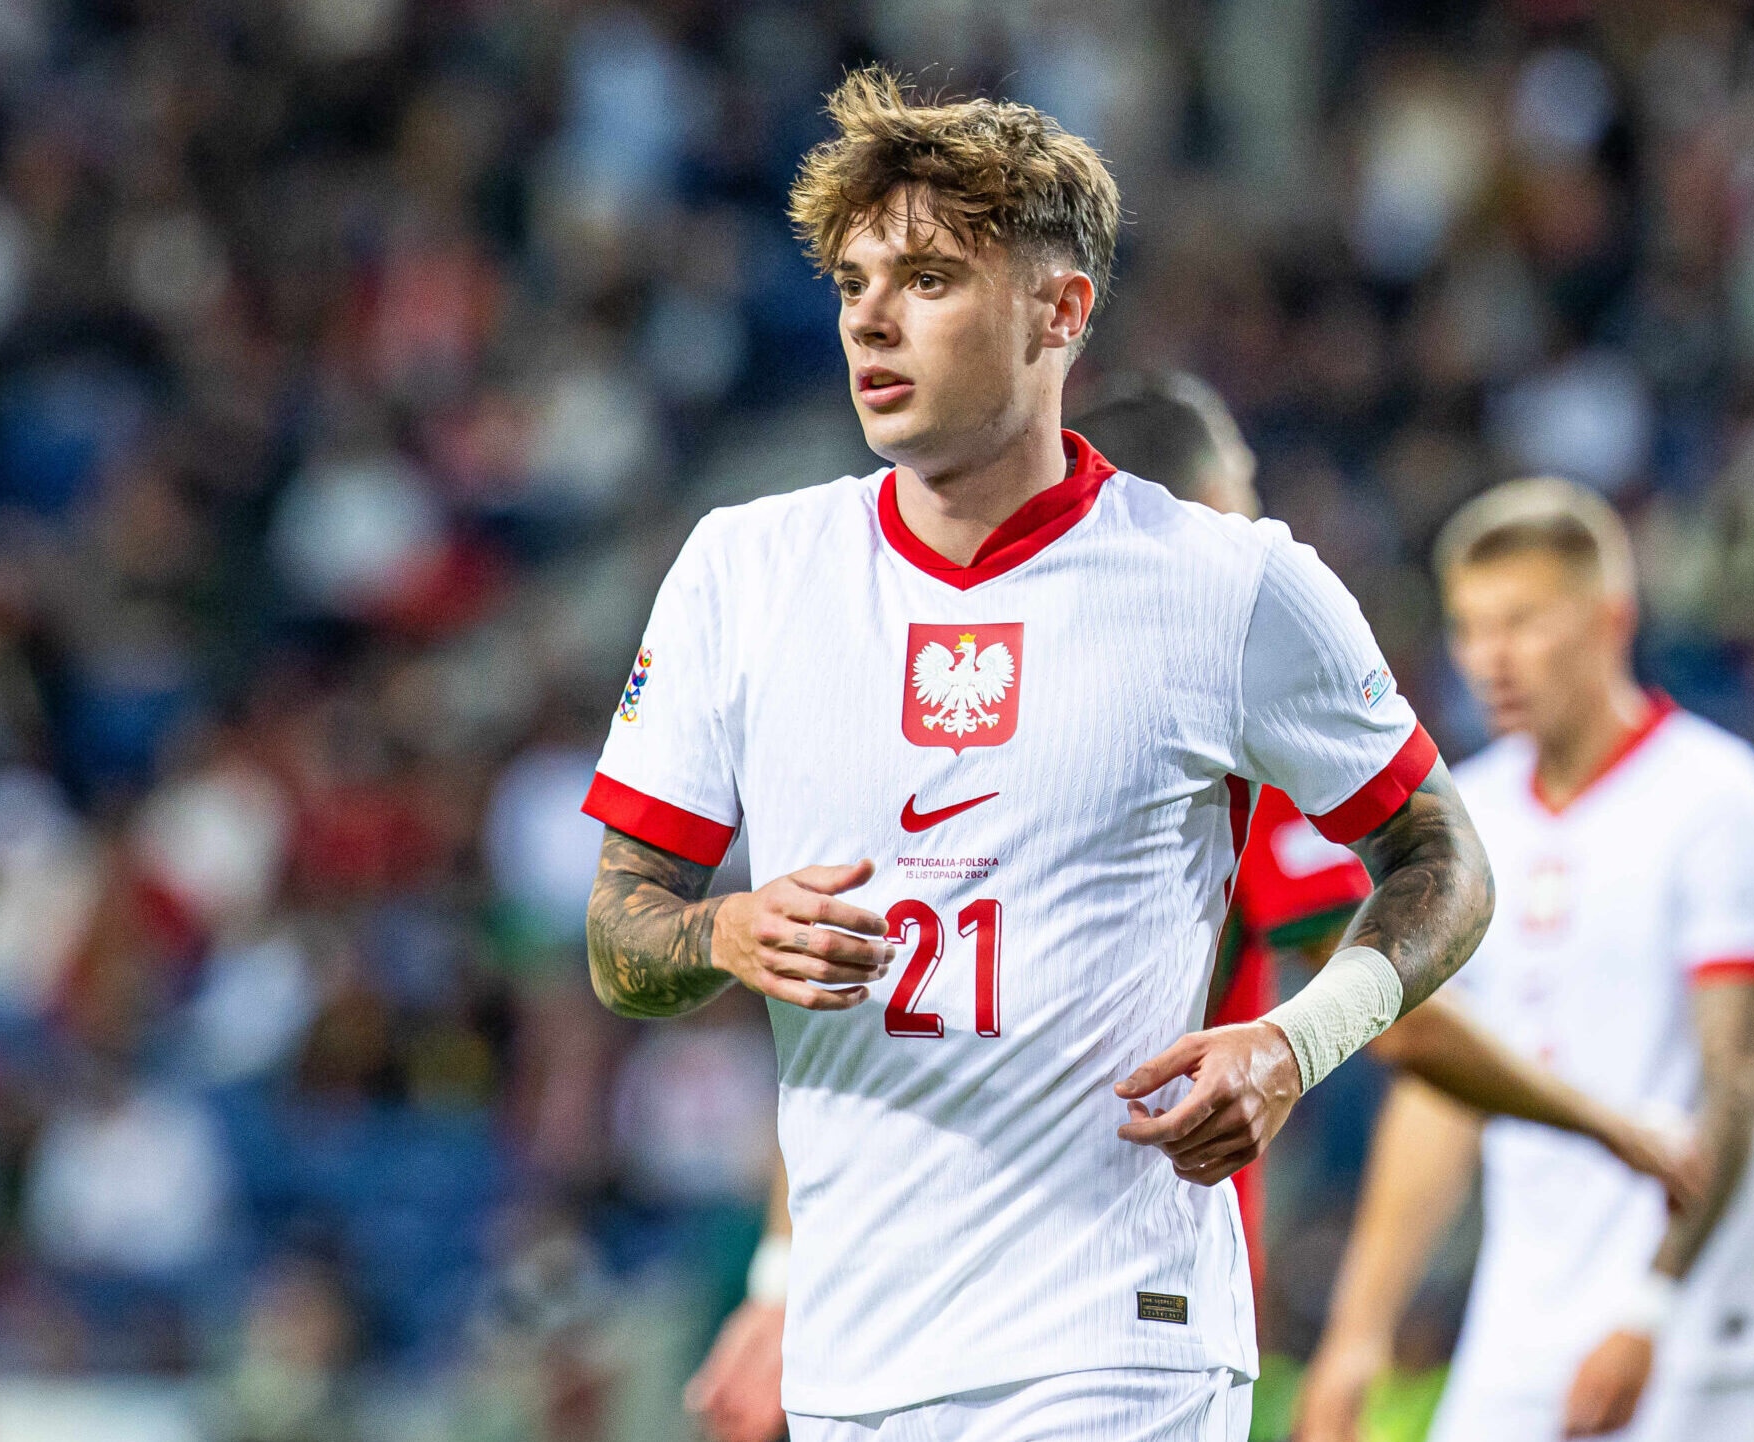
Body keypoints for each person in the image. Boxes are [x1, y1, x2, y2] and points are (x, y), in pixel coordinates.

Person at [581, 69, 1497, 1441]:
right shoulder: (743, 570)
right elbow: (616, 932)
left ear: (1060, 312)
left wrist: (1296, 1045)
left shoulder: (1226, 584)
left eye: (932, 279)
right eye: (852, 282)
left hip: (1117, 1339)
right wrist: (725, 929)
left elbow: (1442, 858)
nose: (872, 319)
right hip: (854, 1354)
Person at [683, 376, 1702, 1442]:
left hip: (901, 1321)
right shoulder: (1200, 729)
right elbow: (1398, 1000)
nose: (1263, 526)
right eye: (1246, 491)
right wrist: (1612, 1128)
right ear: (1191, 505)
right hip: (1126, 1304)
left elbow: (861, 1022)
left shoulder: (952, 734)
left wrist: (783, 1270)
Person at [1296, 478, 1754, 1442]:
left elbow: (1736, 1082)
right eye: (1470, 627)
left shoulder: (1717, 798)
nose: (1491, 658)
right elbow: (1437, 1085)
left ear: (1610, 620)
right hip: (1522, 1325)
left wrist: (1652, 1309)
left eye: (1525, 622)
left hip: (1696, 1330)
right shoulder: (1467, 821)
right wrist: (1357, 1334)